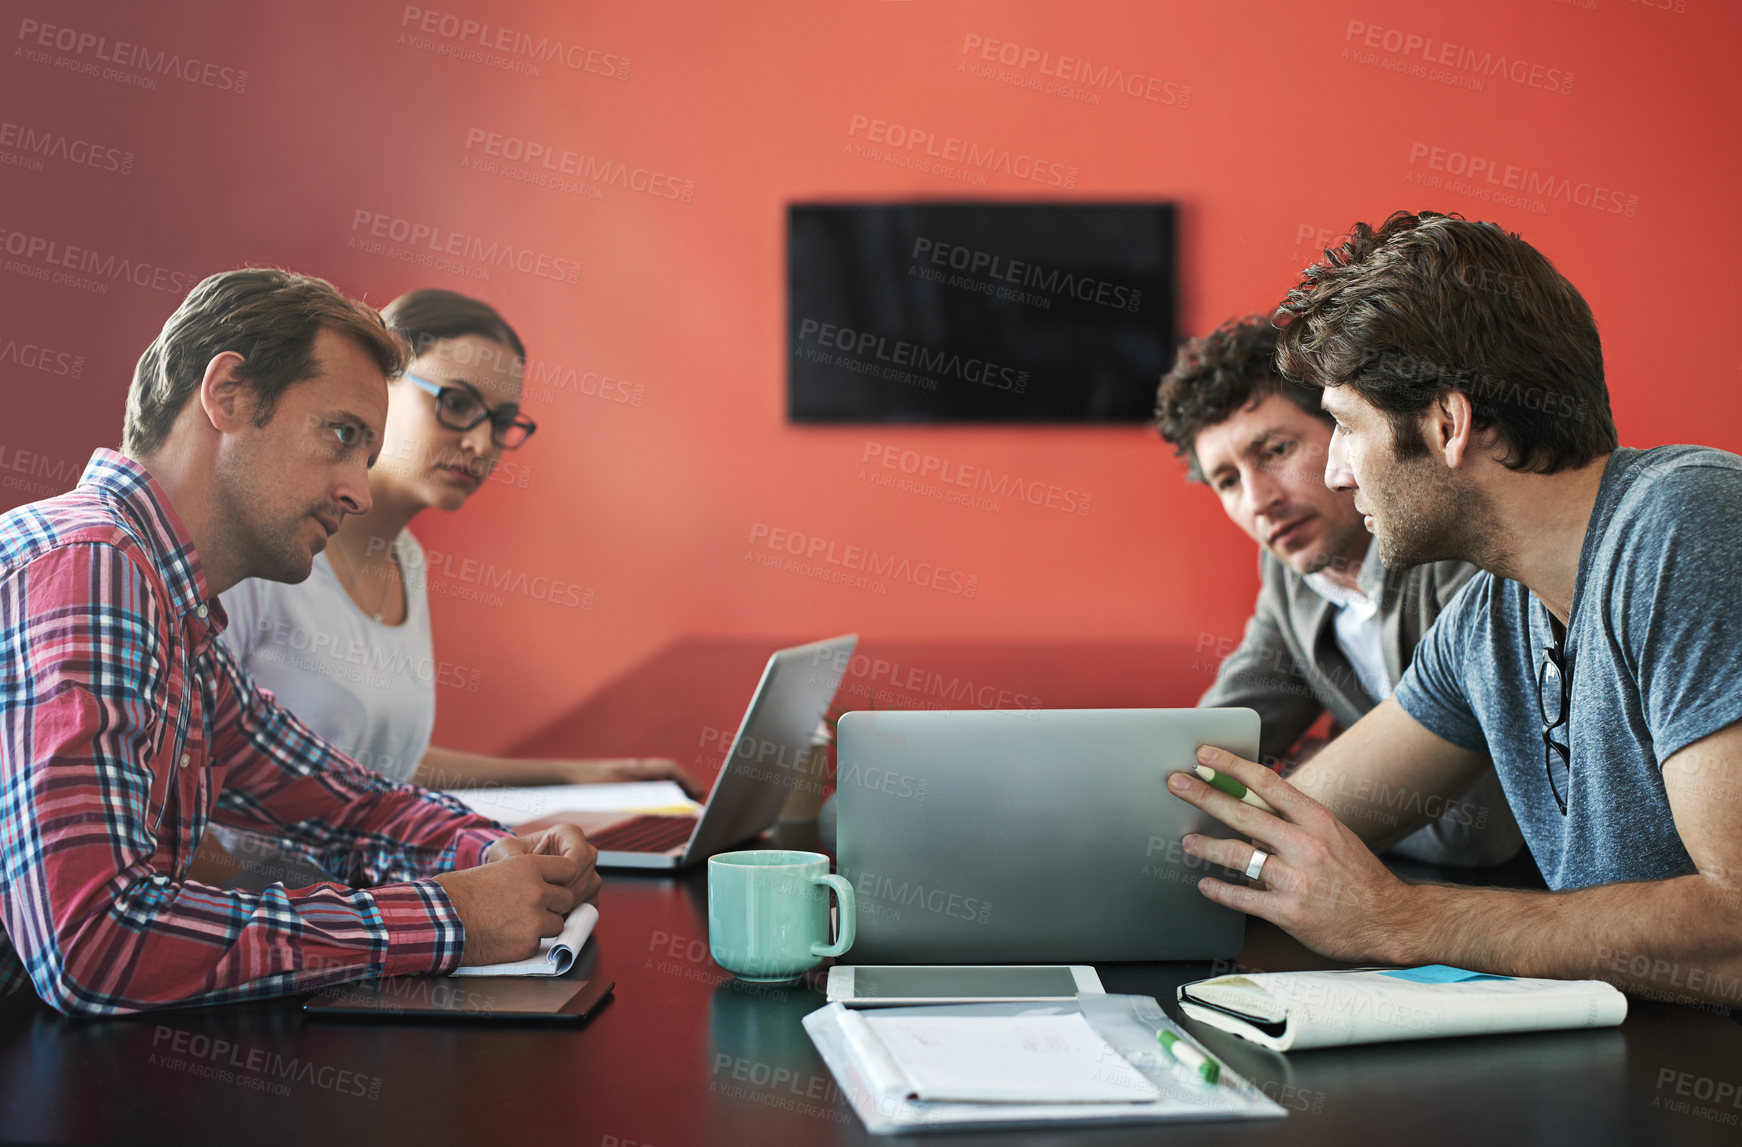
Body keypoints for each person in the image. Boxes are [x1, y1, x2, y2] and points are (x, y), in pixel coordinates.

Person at [1167, 212, 1742, 1009]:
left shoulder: (1687, 521)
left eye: (1343, 425)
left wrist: (1404, 918)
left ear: (1447, 422)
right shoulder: (1487, 617)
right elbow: (1273, 822)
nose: (1335, 471)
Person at [0, 270, 600, 1016]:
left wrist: (488, 851)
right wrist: (452, 919)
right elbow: (95, 945)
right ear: (228, 395)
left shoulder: (171, 607)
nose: (360, 489)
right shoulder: (93, 564)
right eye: (342, 436)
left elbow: (347, 802)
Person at [216, 288, 700, 800]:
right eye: (457, 403)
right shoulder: (266, 551)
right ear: (377, 385)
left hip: (370, 871)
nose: (481, 444)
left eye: (501, 421)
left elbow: (373, 761)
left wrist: (576, 776)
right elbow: (192, 766)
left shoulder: (406, 561)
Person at [1155, 316, 1521, 867]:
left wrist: (1309, 772)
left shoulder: (1452, 544)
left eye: (1275, 450)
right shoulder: (1289, 576)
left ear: (1344, 432)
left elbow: (1474, 828)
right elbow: (1212, 750)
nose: (1258, 500)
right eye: (1228, 481)